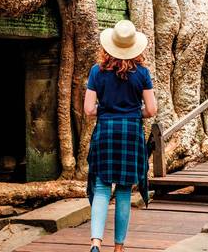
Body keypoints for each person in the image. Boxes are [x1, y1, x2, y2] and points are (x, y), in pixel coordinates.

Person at [85, 20, 157, 252]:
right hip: (131, 132)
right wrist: (134, 112)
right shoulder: (143, 74)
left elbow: (88, 110)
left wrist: (106, 110)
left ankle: (96, 242)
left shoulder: (97, 72)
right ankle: (118, 248)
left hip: (105, 131)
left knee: (102, 186)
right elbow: (151, 110)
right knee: (124, 190)